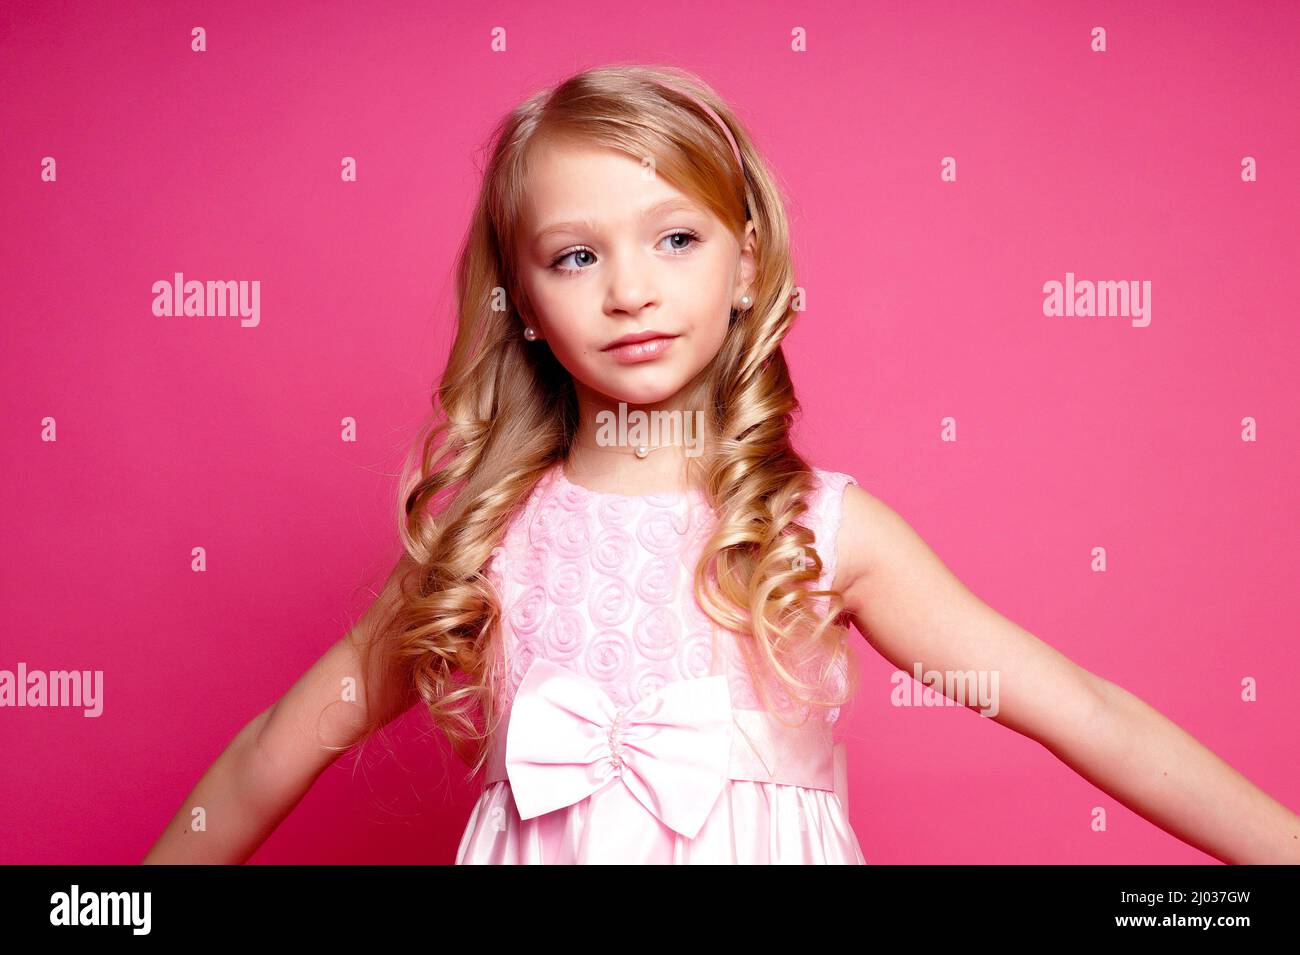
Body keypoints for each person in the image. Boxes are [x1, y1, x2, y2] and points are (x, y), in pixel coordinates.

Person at [144, 64, 1300, 865]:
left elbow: (1079, 709)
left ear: (746, 263)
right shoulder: (484, 545)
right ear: (525, 304)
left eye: (676, 238)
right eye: (576, 254)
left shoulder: (822, 530)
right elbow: (271, 748)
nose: (631, 289)